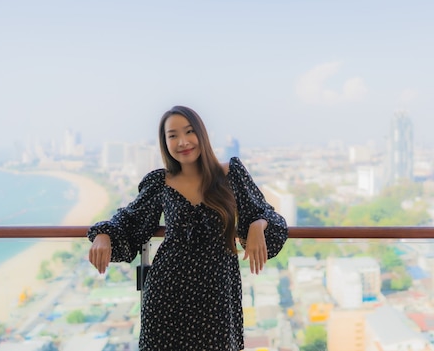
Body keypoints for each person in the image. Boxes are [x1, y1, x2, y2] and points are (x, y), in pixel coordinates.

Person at [87, 105, 288, 350]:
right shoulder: (160, 182)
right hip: (167, 292)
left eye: (189, 132)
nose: (182, 141)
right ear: (165, 143)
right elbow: (130, 219)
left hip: (217, 294)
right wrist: (103, 235)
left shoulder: (230, 173)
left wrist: (258, 224)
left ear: (201, 134)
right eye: (172, 135)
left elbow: (268, 215)